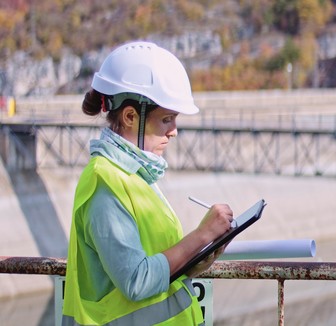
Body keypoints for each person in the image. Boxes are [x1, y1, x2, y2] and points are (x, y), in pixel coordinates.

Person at [62, 41, 234, 325]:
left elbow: (160, 268)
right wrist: (201, 235)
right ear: (130, 116)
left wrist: (200, 255)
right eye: (166, 119)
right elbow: (137, 280)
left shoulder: (136, 176)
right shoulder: (104, 182)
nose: (174, 131)